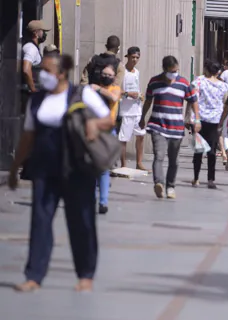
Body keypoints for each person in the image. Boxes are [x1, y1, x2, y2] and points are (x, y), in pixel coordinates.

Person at [8, 53, 112, 292]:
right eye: (40, 70)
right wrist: (15, 167)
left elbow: (108, 119)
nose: (41, 75)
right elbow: (28, 135)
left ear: (61, 73)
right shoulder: (37, 100)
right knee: (40, 221)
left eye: (46, 70)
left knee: (81, 221)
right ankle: (34, 275)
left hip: (77, 168)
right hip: (45, 167)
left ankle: (86, 274)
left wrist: (94, 124)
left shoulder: (81, 94)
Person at [141, 56, 199, 199]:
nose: (174, 73)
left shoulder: (184, 83)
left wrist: (196, 119)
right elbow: (148, 101)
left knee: (174, 160)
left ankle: (171, 186)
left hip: (176, 127)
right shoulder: (154, 82)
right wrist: (142, 117)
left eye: (176, 71)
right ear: (165, 69)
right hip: (157, 125)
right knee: (159, 156)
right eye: (172, 71)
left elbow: (194, 101)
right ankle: (159, 183)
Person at [190, 59, 228, 189]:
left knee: (198, 150)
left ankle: (196, 178)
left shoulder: (198, 82)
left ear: (206, 69)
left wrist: (189, 117)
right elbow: (225, 102)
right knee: (212, 151)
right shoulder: (224, 86)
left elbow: (193, 100)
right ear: (218, 72)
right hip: (215, 121)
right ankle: (211, 179)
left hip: (199, 119)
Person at [91, 65, 120, 214]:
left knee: (103, 169)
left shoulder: (115, 89)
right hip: (92, 130)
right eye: (104, 74)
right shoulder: (91, 89)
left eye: (110, 75)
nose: (107, 77)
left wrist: (97, 89)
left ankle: (103, 202)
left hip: (108, 131)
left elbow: (113, 98)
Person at [119, 46, 147, 170]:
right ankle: (123, 164)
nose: (135, 60)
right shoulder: (122, 71)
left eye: (137, 57)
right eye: (133, 57)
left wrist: (140, 96)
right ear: (128, 57)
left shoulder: (137, 72)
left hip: (137, 109)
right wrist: (127, 94)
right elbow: (116, 89)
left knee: (141, 135)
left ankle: (139, 162)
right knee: (123, 138)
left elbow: (137, 87)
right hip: (125, 110)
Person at [21, 20, 50, 105]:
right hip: (28, 95)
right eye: (43, 31)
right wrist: (33, 90)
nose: (44, 34)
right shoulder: (31, 48)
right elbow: (26, 70)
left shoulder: (32, 47)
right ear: (36, 33)